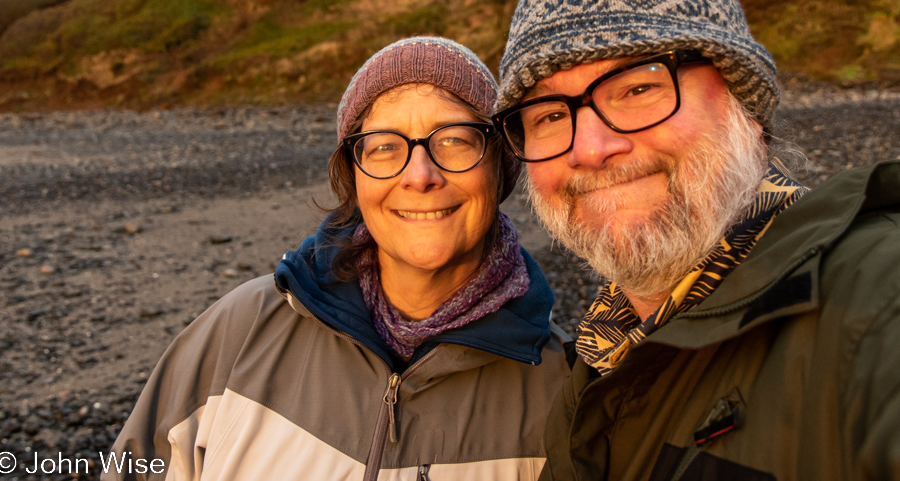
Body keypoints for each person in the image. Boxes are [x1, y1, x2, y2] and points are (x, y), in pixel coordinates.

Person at [492, 0, 900, 480]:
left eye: (637, 88)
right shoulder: (599, 360)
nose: (590, 147)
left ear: (743, 106)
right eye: (551, 115)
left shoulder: (890, 293)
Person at [106, 36, 570, 480]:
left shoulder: (562, 389)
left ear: (499, 166)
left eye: (454, 139)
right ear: (355, 178)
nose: (420, 175)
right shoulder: (240, 331)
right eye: (386, 146)